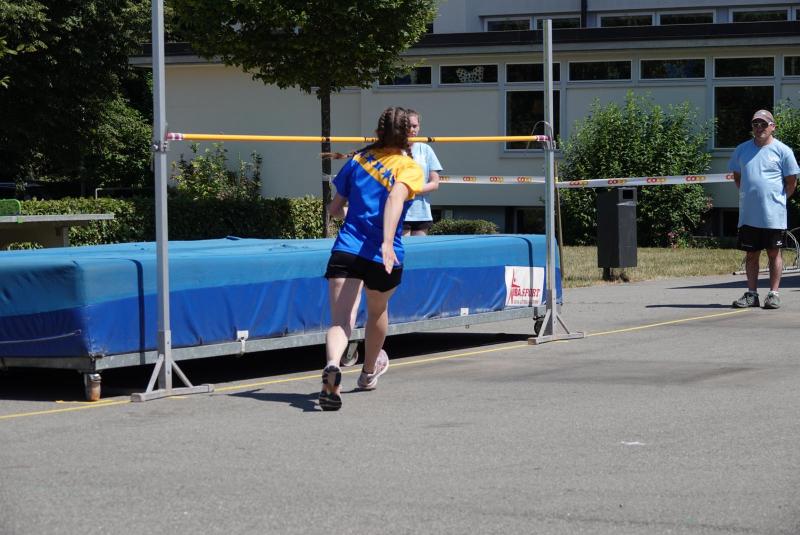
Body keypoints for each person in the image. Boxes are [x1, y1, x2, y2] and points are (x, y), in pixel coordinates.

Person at [319, 106, 424, 411]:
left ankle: (333, 364)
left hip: (347, 250)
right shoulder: (408, 167)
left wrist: (352, 215)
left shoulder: (357, 160)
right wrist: (387, 242)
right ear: (407, 134)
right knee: (377, 312)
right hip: (382, 256)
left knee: (341, 320)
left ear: (379, 131)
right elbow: (394, 199)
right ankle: (367, 374)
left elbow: (334, 209)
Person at [730, 109, 799, 310]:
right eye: (755, 124)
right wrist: (751, 197)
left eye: (763, 124)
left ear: (772, 127)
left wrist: (777, 201)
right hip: (749, 215)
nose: (759, 128)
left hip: (773, 216)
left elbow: (791, 182)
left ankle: (773, 294)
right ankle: (752, 294)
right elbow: (738, 178)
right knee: (751, 254)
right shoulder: (742, 150)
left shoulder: (783, 151)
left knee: (774, 253)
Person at [402, 110, 443, 236]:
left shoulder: (426, 149)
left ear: (419, 127)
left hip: (421, 213)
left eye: (415, 126)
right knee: (402, 247)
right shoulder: (393, 150)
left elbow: (435, 183)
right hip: (399, 211)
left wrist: (412, 190)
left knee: (419, 247)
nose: (412, 129)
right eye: (408, 126)